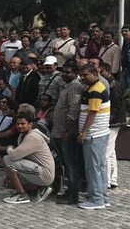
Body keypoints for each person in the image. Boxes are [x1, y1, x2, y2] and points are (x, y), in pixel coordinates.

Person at [0, 111, 56, 204]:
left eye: (23, 123)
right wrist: (8, 174)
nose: (20, 126)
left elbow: (13, 155)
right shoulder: (24, 135)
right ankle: (39, 188)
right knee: (10, 183)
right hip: (39, 170)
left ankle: (22, 195)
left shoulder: (32, 137)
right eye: (18, 124)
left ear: (30, 125)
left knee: (6, 159)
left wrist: (8, 147)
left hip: (45, 173)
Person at [77, 64, 111, 210]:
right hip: (100, 133)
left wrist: (83, 132)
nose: (82, 78)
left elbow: (92, 113)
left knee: (93, 168)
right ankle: (103, 196)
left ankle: (96, 199)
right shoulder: (94, 88)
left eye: (85, 75)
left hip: (94, 134)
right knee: (100, 166)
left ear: (94, 74)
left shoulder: (96, 90)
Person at [52, 61, 85, 205]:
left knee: (72, 164)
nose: (64, 74)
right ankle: (69, 190)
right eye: (63, 72)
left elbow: (74, 111)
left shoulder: (75, 87)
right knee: (66, 164)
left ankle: (73, 194)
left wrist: (66, 129)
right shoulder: (65, 86)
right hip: (59, 131)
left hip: (68, 133)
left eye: (68, 72)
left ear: (75, 73)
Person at [100, 62, 125, 186]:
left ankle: (107, 181)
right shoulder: (110, 84)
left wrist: (108, 120)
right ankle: (113, 178)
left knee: (106, 152)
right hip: (112, 120)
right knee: (111, 151)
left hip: (113, 122)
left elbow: (115, 105)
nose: (100, 75)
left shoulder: (114, 85)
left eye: (102, 72)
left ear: (108, 71)